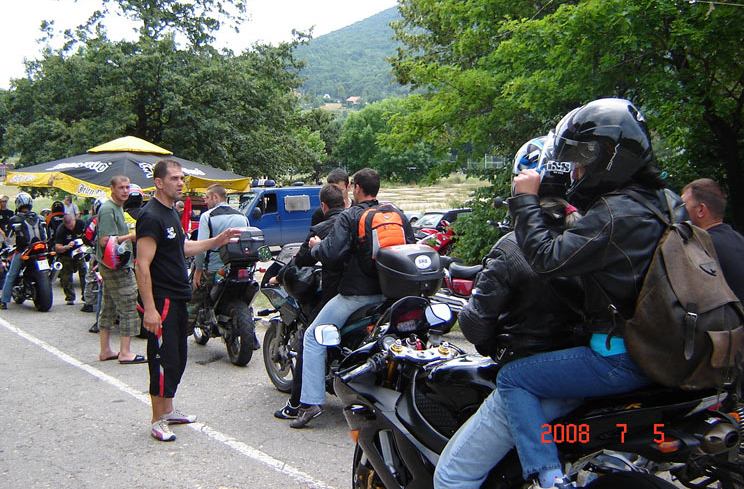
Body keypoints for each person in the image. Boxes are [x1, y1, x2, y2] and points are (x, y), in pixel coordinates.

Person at [496, 97, 684, 488]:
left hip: (624, 356)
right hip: (672, 344)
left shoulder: (615, 214)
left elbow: (546, 258)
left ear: (610, 157)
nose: (577, 170)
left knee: (513, 378)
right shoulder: (667, 202)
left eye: (583, 159)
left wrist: (526, 200)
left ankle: (548, 477)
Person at [434, 136, 585, 489]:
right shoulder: (589, 233)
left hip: (532, 384)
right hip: (586, 377)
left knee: (452, 476)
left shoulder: (512, 247)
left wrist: (471, 310)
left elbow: (475, 327)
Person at [292, 168, 415, 428]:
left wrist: (315, 247)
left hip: (358, 296)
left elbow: (332, 253)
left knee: (313, 336)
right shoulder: (396, 214)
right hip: (391, 295)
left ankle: (310, 403)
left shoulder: (351, 215)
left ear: (356, 188)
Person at [135, 159, 241, 442]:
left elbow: (182, 247)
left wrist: (216, 241)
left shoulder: (170, 212)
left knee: (177, 357)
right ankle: (157, 419)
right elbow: (142, 265)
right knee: (162, 358)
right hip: (162, 299)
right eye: (174, 178)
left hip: (179, 295)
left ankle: (168, 410)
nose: (181, 183)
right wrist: (150, 309)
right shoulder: (151, 216)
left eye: (181, 178)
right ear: (159, 183)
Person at [273, 184, 347, 420]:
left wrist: (280, 276)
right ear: (344, 202)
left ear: (323, 205)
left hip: (337, 293)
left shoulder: (322, 228)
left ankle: (298, 404)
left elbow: (302, 259)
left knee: (310, 338)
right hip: (368, 290)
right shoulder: (356, 221)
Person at [96, 175, 141, 363]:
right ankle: (125, 352)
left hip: (112, 265)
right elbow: (105, 240)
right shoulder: (108, 209)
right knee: (129, 304)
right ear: (112, 188)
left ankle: (105, 350)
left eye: (127, 187)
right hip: (116, 265)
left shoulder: (117, 207)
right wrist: (130, 236)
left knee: (109, 306)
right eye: (121, 187)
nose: (125, 191)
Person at [681, 178, 744, 301]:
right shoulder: (739, 239)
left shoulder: (700, 248)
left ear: (700, 210)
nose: (678, 211)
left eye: (683, 206)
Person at [190, 184, 248, 316]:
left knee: (193, 304)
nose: (205, 201)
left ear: (215, 197)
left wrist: (198, 270)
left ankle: (187, 327)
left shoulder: (207, 216)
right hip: (238, 269)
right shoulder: (242, 216)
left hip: (213, 269)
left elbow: (201, 248)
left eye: (207, 197)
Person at [0, 192, 48, 310]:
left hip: (24, 250)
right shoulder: (40, 217)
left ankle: (3, 301)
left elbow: (8, 237)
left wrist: (7, 241)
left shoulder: (15, 219)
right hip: (41, 250)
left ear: (18, 204)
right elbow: (47, 234)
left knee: (11, 275)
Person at [54, 214, 88, 305]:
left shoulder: (81, 224)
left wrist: (84, 244)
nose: (70, 228)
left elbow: (88, 237)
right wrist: (66, 247)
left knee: (84, 270)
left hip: (79, 251)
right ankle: (70, 297)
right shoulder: (61, 229)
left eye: (72, 226)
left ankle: (86, 295)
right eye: (68, 227)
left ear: (74, 221)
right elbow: (57, 247)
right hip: (66, 253)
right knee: (66, 275)